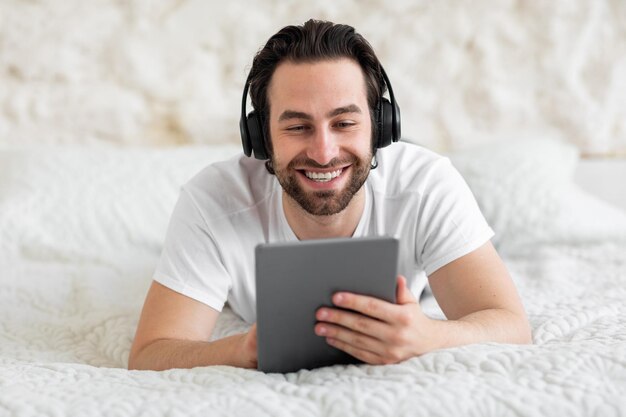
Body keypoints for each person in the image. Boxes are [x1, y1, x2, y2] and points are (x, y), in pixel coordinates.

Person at [128, 19, 532, 371]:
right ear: (260, 138)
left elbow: (511, 326)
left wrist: (428, 337)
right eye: (298, 127)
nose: (323, 153)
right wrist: (243, 349)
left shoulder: (426, 184)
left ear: (380, 127)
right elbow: (149, 355)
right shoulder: (211, 201)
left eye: (344, 123)